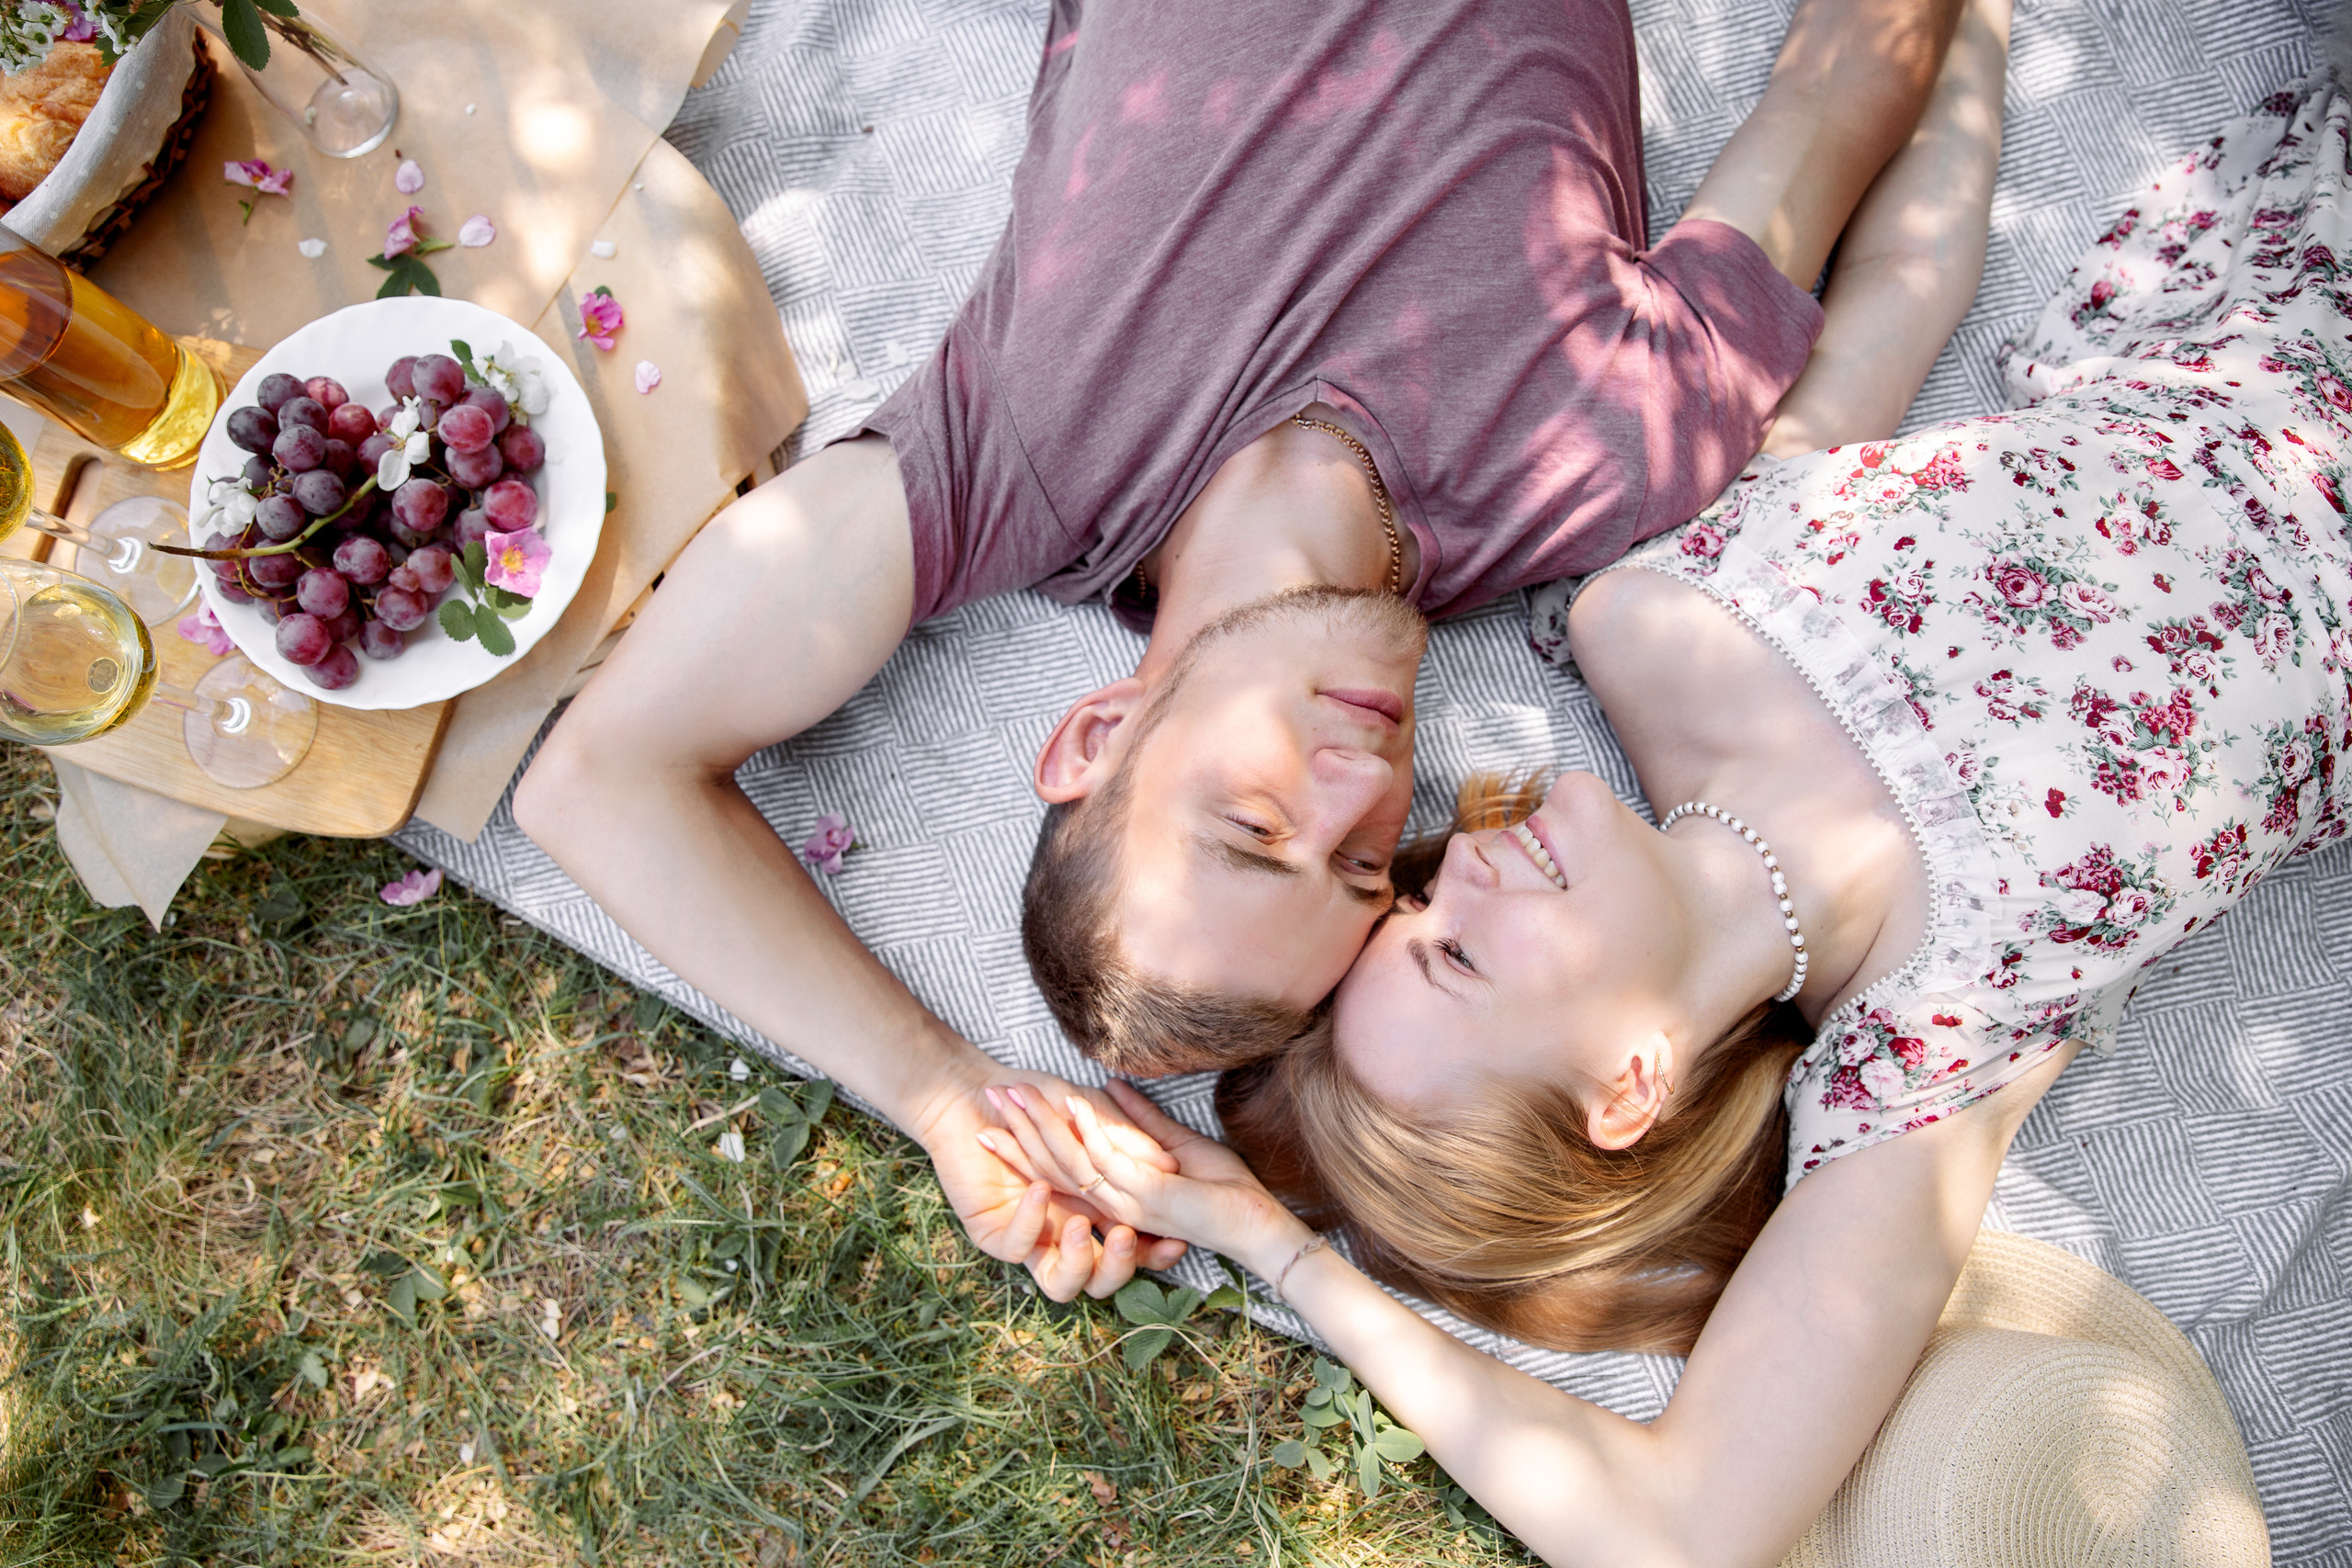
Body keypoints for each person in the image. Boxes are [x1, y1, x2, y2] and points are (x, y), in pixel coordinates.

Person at [980, 25, 2352, 1564]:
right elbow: (1683, 1532)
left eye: (1410, 894)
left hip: (2264, 330)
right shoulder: (1929, 1040)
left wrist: (1971, 37)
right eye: (1460, 951)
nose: (1459, 868)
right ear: (1632, 1086)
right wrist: (1270, 1248)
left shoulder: (1653, 624)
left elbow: (1897, 300)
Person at [514, 0, 1966, 1301]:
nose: (1357, 790)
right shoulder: (1611, 455)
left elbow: (600, 780)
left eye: (1254, 824)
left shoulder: (1019, 459)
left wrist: (949, 1097)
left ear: (1098, 736)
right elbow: (1834, 102)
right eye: (1354, 869)